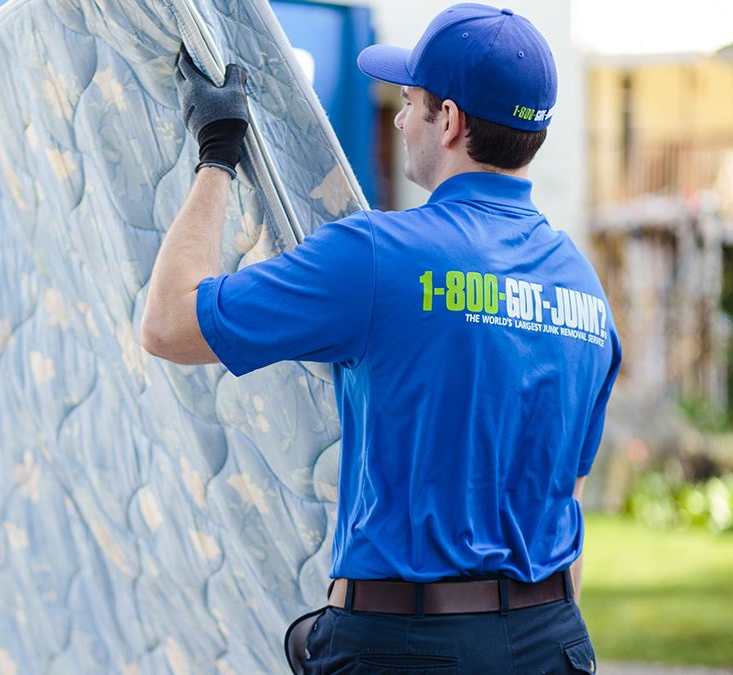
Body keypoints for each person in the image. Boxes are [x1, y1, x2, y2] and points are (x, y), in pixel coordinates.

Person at [142, 5, 620, 673]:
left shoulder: (376, 258)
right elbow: (563, 496)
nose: (397, 119)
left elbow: (167, 321)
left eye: (409, 101)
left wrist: (217, 150)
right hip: (555, 641)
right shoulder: (585, 290)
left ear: (449, 121)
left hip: (410, 647)